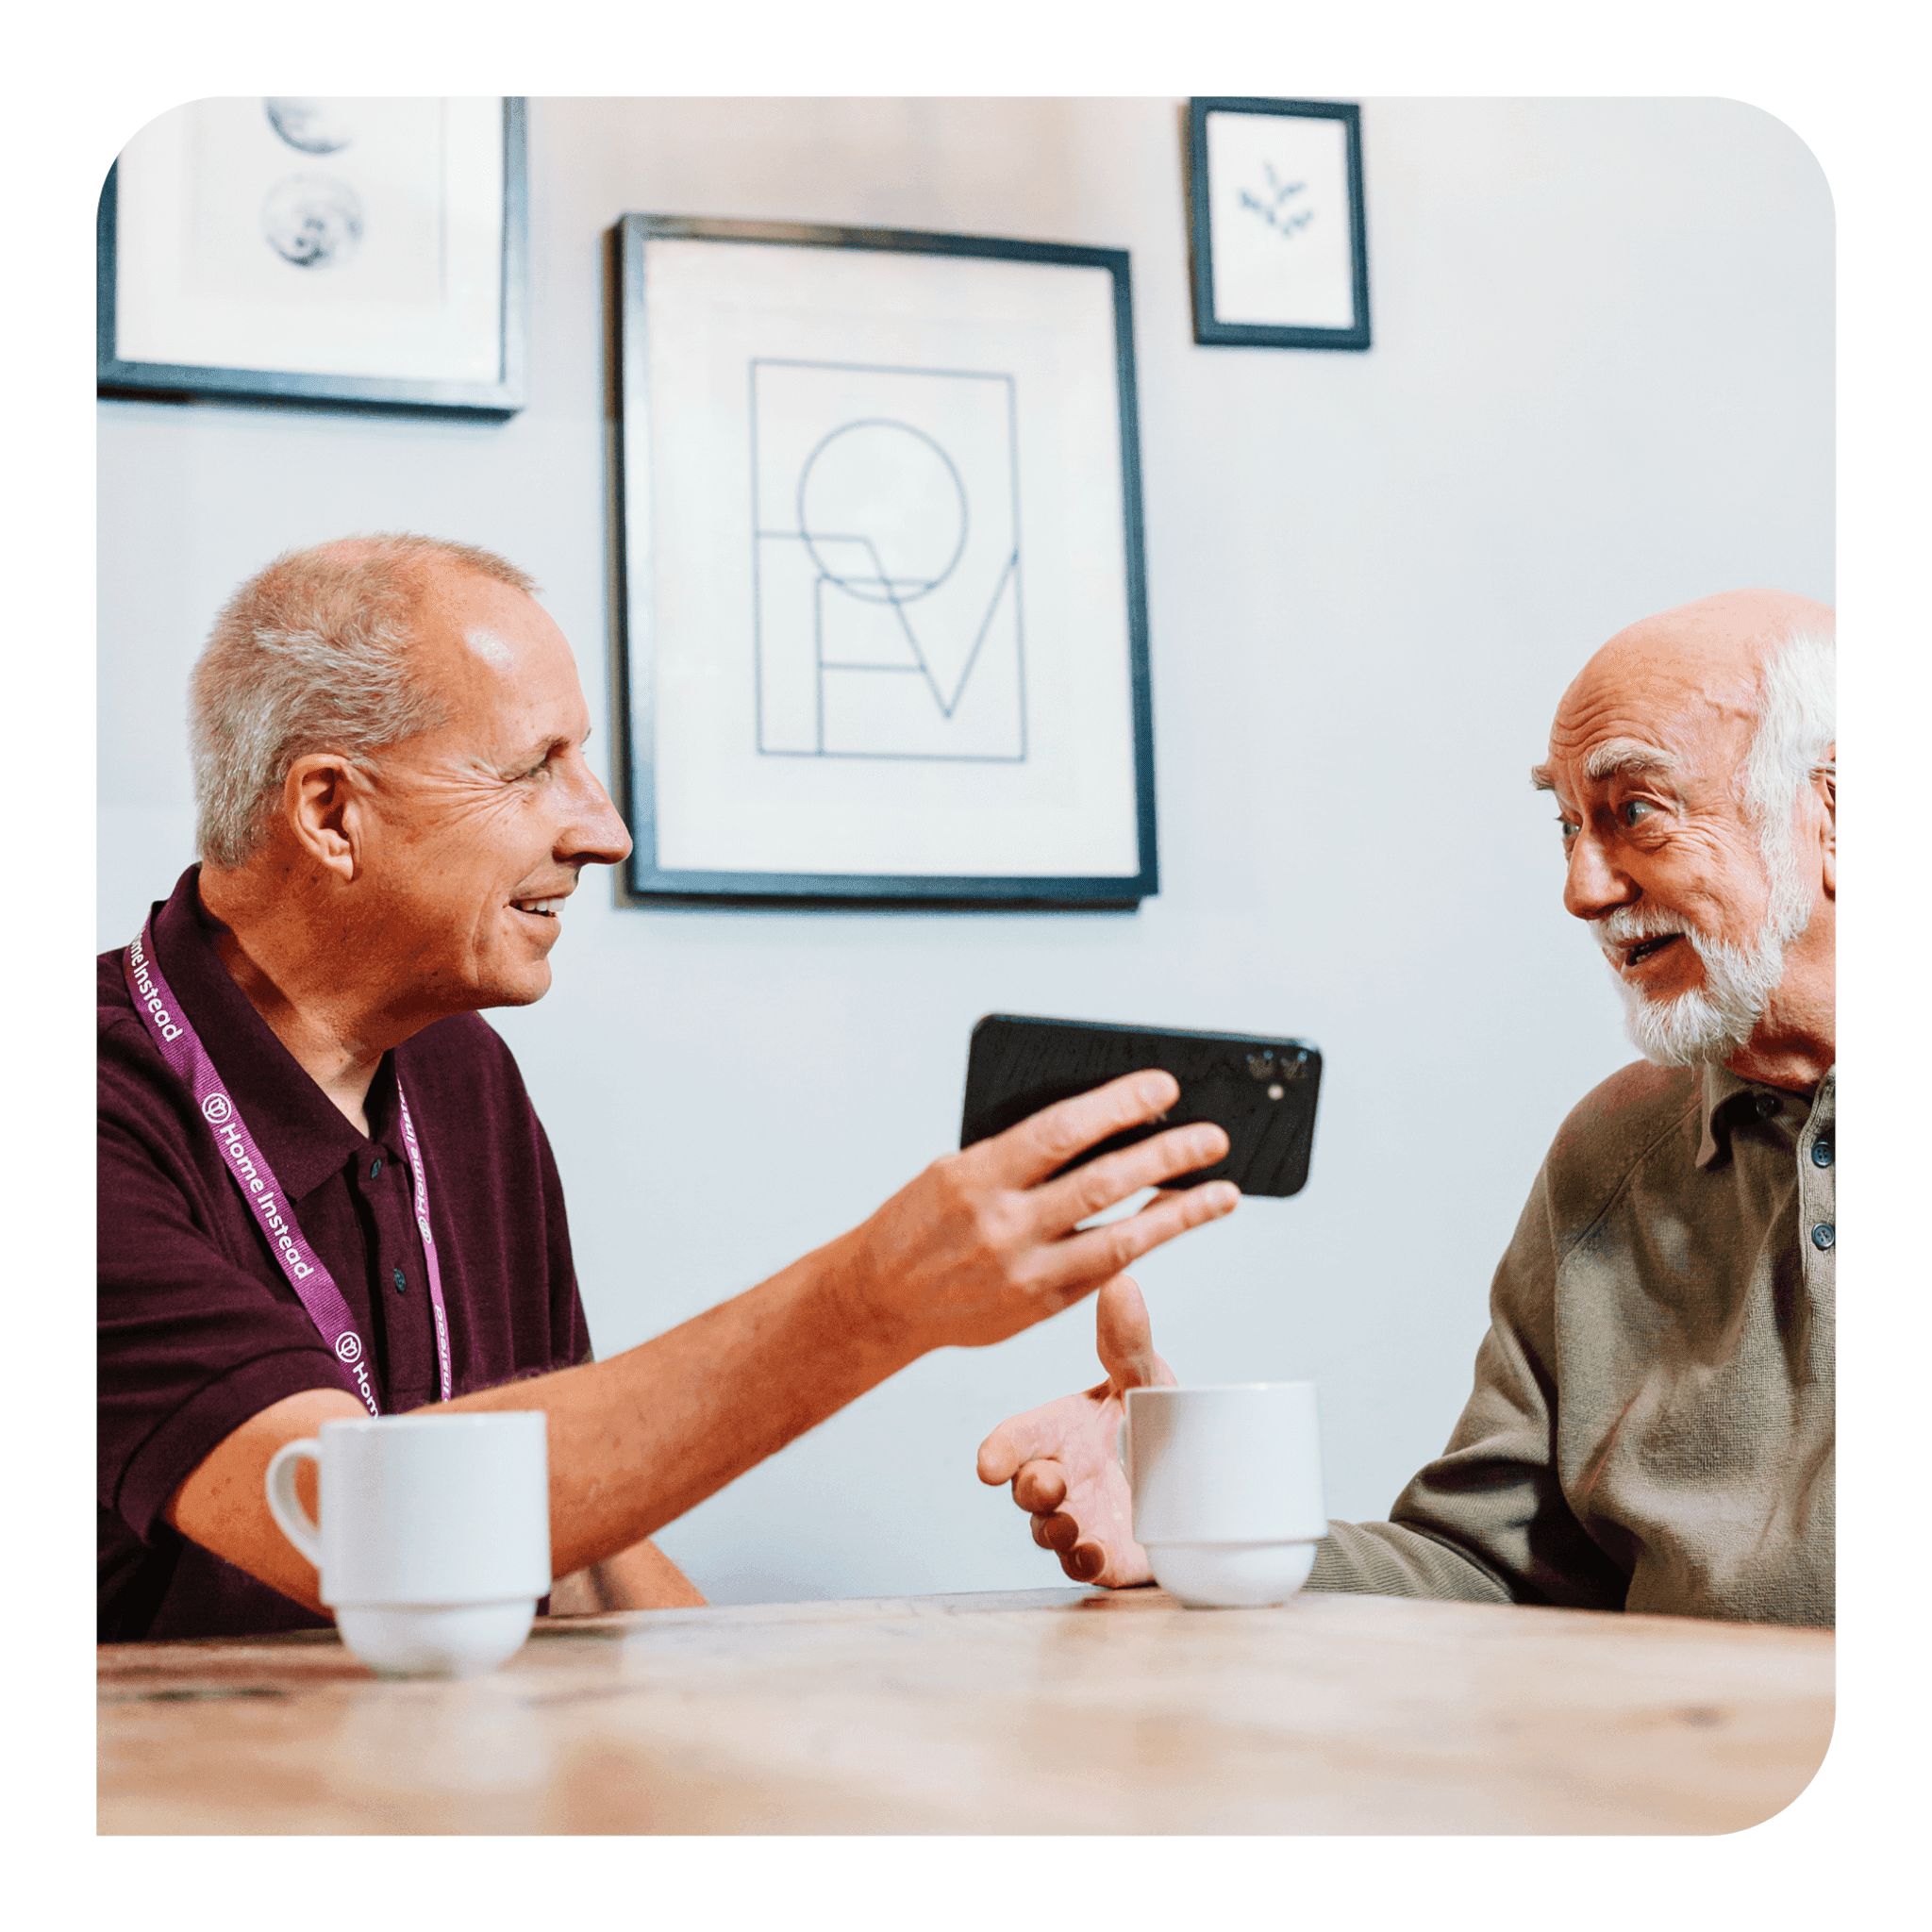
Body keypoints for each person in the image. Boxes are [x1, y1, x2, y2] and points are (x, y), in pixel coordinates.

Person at [98, 534, 1240, 1641]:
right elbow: (358, 1530)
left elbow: (573, 1535)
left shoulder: (462, 1071)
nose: (605, 829)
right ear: (330, 812)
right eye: (536, 766)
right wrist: (876, 1298)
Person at [978, 590, 1835, 1629]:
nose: (1579, 886)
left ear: (1834, 814)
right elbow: (1492, 1566)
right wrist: (1193, 1523)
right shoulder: (1608, 1151)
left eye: (1632, 811)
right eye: (1565, 824)